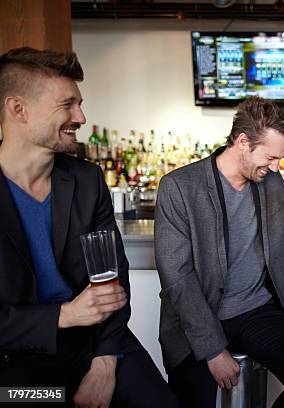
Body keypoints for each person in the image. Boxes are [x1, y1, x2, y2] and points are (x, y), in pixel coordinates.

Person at [0, 47, 178, 407]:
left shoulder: (86, 179)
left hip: (97, 341)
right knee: (40, 400)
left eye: (79, 103)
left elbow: (113, 279)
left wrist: (105, 363)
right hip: (15, 355)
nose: (80, 116)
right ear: (18, 109)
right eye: (67, 104)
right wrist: (64, 315)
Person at [155, 96, 284, 407]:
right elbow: (178, 278)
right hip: (199, 316)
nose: (276, 166)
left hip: (256, 310)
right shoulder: (180, 187)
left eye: (280, 158)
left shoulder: (271, 180)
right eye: (270, 157)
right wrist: (212, 349)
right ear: (242, 141)